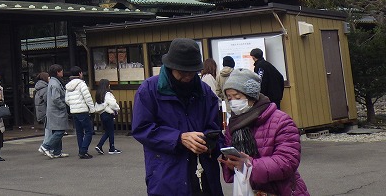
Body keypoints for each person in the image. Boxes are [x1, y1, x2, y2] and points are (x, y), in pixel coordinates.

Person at [131, 38, 224, 195]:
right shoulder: (149, 90)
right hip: (167, 174)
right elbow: (141, 128)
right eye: (182, 72)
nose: (188, 76)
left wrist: (208, 141)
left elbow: (215, 128)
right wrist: (178, 138)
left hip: (204, 174)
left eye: (192, 71)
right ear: (171, 67)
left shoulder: (205, 91)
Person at [219, 69, 309, 195]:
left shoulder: (281, 121)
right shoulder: (233, 125)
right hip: (251, 190)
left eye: (237, 97)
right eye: (229, 98)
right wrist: (231, 164)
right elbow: (234, 167)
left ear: (251, 96)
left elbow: (287, 161)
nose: (233, 102)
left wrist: (250, 166)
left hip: (283, 190)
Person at [65, 66, 96, 159]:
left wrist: (73, 106)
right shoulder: (82, 84)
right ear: (79, 74)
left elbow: (67, 100)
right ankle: (83, 151)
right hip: (83, 110)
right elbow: (88, 98)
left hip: (74, 111)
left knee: (79, 132)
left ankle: (81, 150)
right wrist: (92, 110)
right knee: (89, 131)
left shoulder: (68, 86)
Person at [39, 64, 69, 159]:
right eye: (61, 71)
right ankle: (46, 146)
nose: (62, 72)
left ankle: (57, 152)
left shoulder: (53, 81)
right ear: (57, 72)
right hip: (57, 111)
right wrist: (63, 106)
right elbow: (56, 98)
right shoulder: (55, 84)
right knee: (60, 131)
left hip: (53, 111)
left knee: (57, 130)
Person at [94, 78, 121, 155]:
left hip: (102, 114)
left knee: (107, 131)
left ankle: (101, 146)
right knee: (110, 131)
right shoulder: (108, 94)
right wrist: (117, 108)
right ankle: (110, 147)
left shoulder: (98, 94)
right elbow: (113, 104)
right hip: (108, 114)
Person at [33, 72, 50, 154]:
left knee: (48, 130)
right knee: (49, 131)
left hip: (41, 112)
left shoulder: (38, 88)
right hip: (46, 112)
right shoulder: (45, 88)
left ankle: (45, 146)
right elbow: (48, 101)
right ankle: (45, 146)